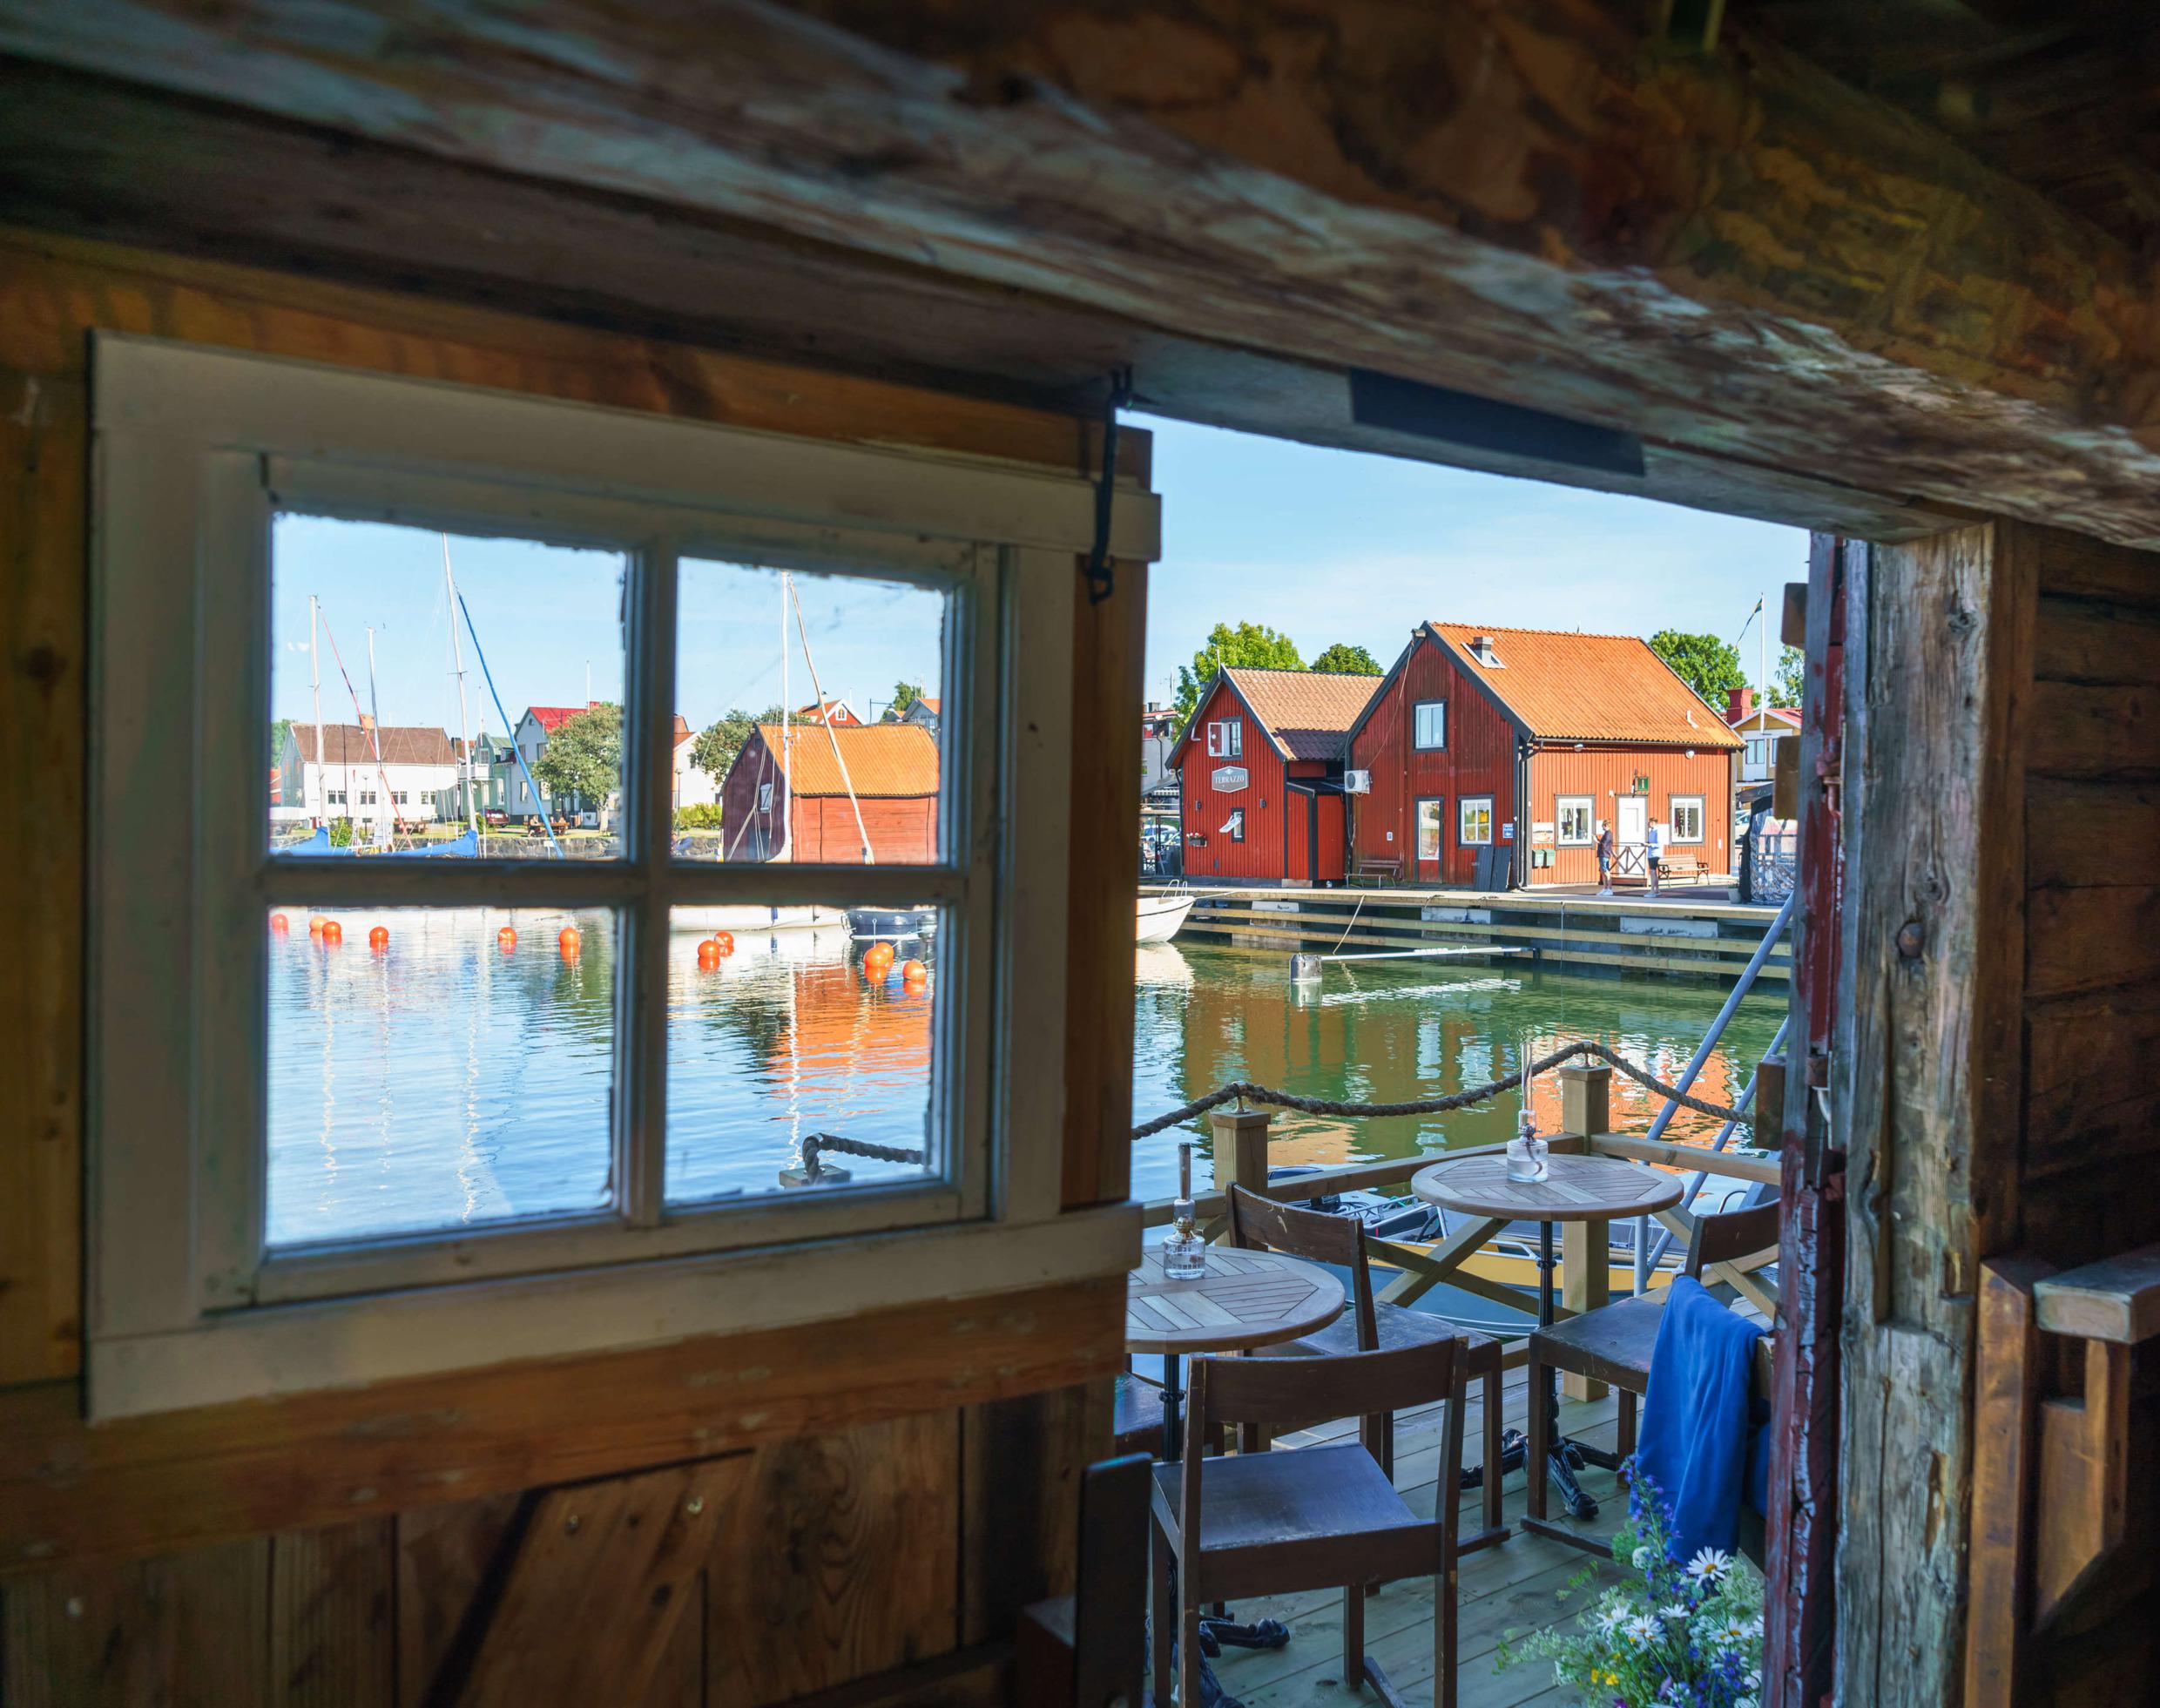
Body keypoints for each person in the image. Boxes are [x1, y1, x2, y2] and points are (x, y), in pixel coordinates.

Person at [1645, 816, 1665, 897]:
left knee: (1653, 872)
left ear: (1654, 823)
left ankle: (1652, 891)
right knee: (1654, 872)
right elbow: (1651, 842)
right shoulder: (1651, 832)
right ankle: (1657, 890)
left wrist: (1649, 845)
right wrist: (1647, 843)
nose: (1649, 824)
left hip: (1655, 854)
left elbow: (1659, 844)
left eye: (1650, 822)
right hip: (1651, 854)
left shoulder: (1658, 832)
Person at [1594, 819, 1615, 895]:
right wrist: (1598, 839)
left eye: (1602, 826)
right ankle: (1605, 888)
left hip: (1605, 854)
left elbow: (1604, 845)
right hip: (1602, 854)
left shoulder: (1608, 834)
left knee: (1606, 872)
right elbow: (1603, 843)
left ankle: (1609, 889)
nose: (1602, 827)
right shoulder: (1606, 833)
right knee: (1603, 872)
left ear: (1605, 825)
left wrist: (1596, 841)